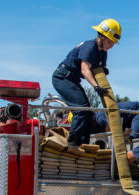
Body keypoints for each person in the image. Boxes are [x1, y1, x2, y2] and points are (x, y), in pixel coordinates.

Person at [52, 18, 121, 147]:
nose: (111, 45)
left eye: (113, 43)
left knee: (88, 113)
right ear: (101, 36)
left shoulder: (102, 53)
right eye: (110, 41)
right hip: (62, 77)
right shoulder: (89, 47)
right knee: (81, 108)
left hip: (72, 79)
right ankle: (73, 143)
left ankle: (84, 145)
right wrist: (96, 87)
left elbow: (97, 71)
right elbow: (85, 70)